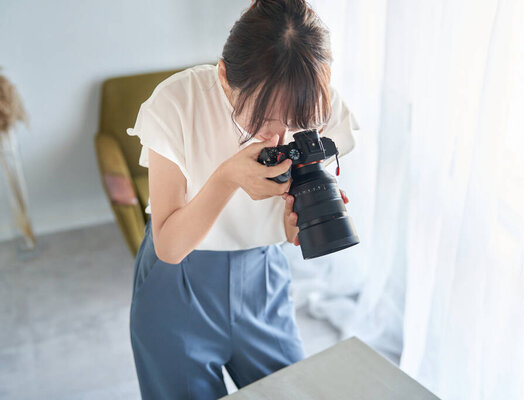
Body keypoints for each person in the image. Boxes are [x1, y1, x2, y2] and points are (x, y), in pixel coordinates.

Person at [127, 0, 359, 398]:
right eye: (261, 118)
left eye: (297, 121)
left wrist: (292, 223)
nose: (278, 135)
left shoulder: (322, 104)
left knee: (287, 391)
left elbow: (287, 216)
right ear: (223, 75)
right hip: (177, 286)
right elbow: (169, 246)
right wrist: (228, 177)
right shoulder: (176, 103)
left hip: (263, 278)